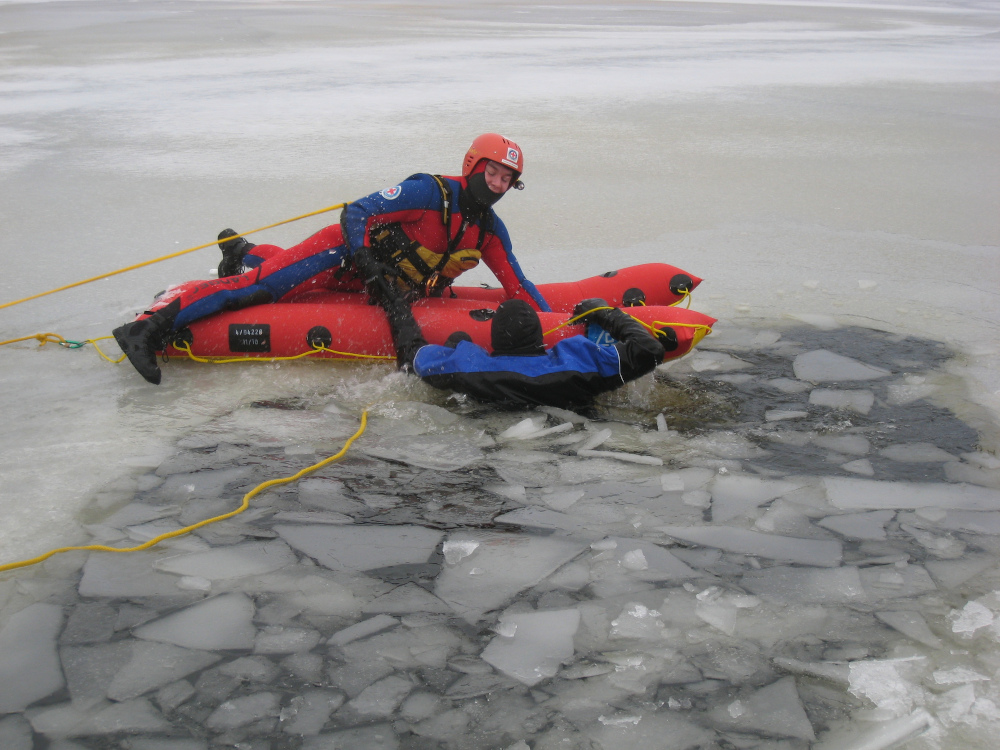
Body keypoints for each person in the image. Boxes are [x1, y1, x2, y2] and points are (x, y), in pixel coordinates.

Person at [113, 133, 550, 384]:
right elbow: (356, 212)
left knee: (285, 271)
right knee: (264, 287)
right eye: (491, 173)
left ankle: (241, 251)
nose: (496, 184)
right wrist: (365, 259)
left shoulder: (490, 231)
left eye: (506, 180)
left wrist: (559, 321)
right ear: (473, 166)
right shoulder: (427, 191)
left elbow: (518, 286)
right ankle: (144, 330)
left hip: (372, 285)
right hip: (343, 253)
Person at [399, 298, 667, 409]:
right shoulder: (578, 363)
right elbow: (650, 350)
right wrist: (605, 314)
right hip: (574, 440)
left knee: (459, 339)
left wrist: (396, 305)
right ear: (540, 337)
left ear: (494, 340)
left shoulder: (465, 365)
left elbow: (412, 354)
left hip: (495, 438)